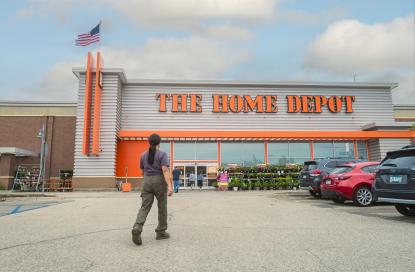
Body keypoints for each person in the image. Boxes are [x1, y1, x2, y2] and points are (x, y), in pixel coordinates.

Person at [131, 134, 173, 246]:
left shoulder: (143, 155)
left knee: (144, 207)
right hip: (159, 181)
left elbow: (142, 172)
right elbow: (165, 170)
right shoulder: (162, 154)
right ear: (159, 142)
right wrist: (169, 186)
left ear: (149, 142)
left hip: (146, 181)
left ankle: (137, 227)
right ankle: (161, 232)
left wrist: (146, 181)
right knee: (162, 207)